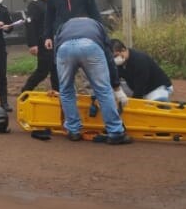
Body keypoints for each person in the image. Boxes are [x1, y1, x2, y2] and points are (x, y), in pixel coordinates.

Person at [54, 16, 132, 144]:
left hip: (64, 48)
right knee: (103, 90)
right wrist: (116, 87)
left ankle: (73, 131)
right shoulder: (97, 25)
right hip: (90, 46)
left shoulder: (64, 25)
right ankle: (115, 133)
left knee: (66, 90)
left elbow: (56, 49)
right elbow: (109, 58)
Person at [20, 0, 59, 93]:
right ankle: (26, 91)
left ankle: (57, 94)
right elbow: (30, 25)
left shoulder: (53, 5)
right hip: (42, 42)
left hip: (54, 41)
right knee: (43, 70)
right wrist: (32, 44)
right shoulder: (35, 5)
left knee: (56, 70)